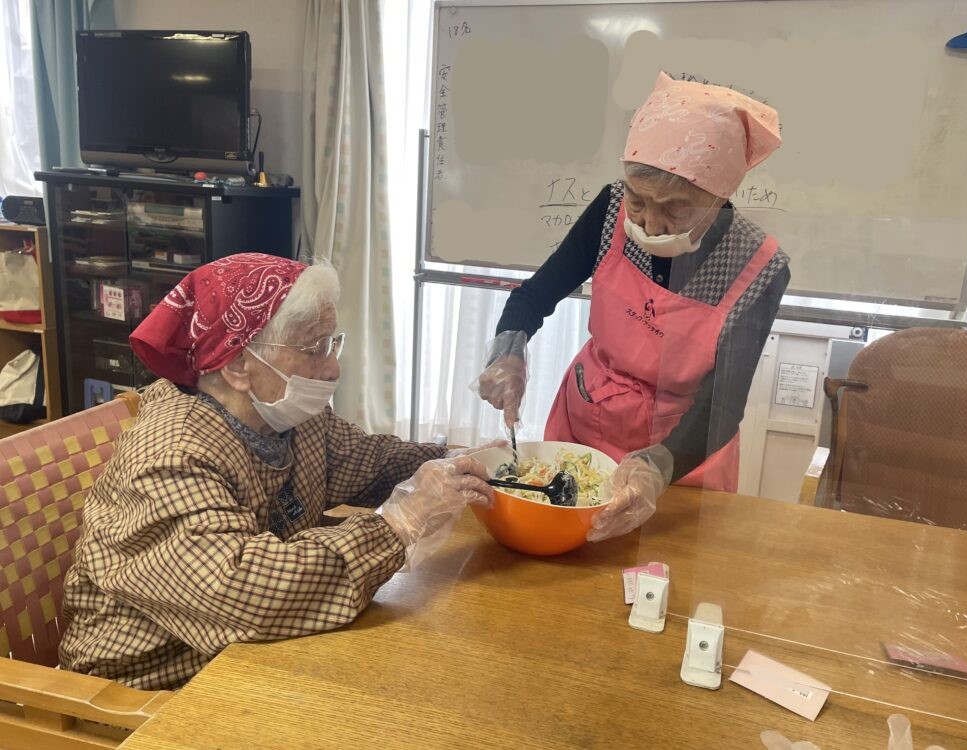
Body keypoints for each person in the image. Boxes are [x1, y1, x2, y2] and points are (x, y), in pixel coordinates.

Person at [59, 253, 494, 690]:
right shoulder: (170, 455)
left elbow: (365, 460)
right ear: (236, 365)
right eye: (313, 349)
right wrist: (399, 524)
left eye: (332, 344)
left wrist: (456, 458)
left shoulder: (286, 419)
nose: (333, 367)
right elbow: (244, 590)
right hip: (151, 686)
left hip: (248, 655)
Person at [478, 73, 789, 542]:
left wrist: (657, 466)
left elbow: (722, 403)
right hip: (587, 417)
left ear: (720, 197)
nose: (649, 222)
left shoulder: (758, 266)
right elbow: (534, 296)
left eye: (677, 209)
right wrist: (509, 352)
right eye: (638, 199)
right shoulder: (610, 211)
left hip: (682, 451)